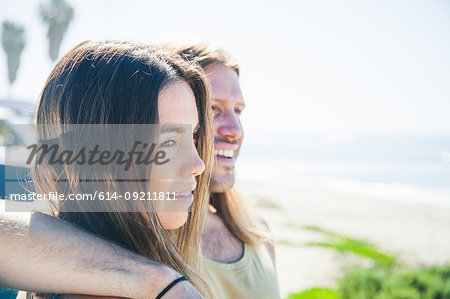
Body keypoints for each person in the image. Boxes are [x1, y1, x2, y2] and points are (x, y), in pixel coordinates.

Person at [0, 42, 279, 299]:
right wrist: (161, 282)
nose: (199, 164)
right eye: (168, 142)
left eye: (193, 136)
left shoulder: (252, 232)